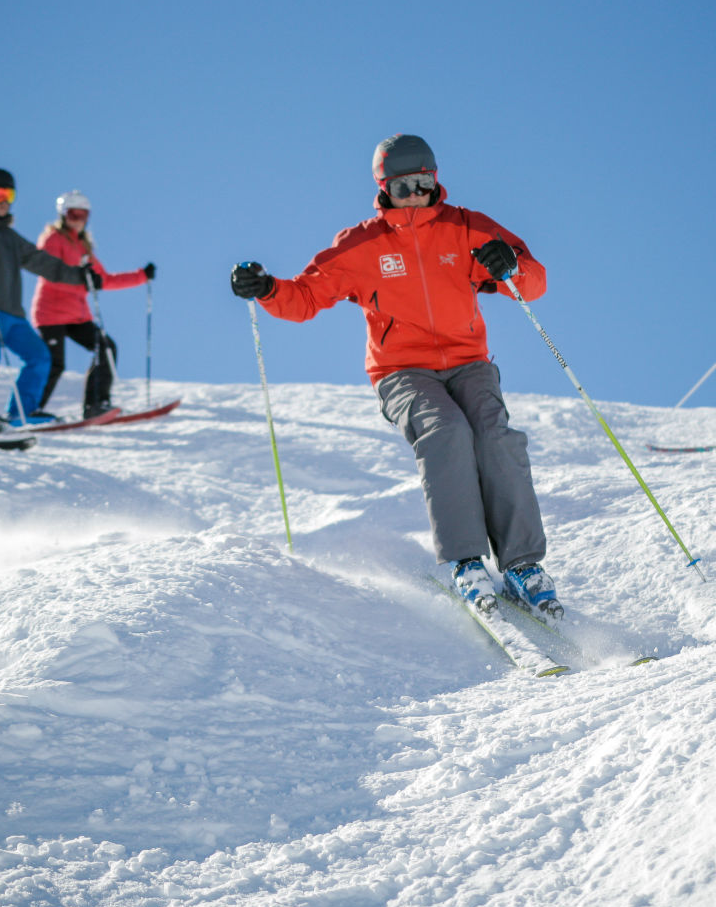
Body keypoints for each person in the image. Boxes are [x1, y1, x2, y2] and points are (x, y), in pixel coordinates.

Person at [230, 134, 561, 617]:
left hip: (469, 362)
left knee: (495, 437)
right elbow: (303, 298)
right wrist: (266, 289)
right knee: (444, 433)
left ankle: (521, 565)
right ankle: (466, 560)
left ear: (435, 180)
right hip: (402, 371)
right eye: (404, 187)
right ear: (385, 188)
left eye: (424, 184)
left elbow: (531, 280)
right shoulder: (362, 244)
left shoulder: (466, 227)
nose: (416, 195)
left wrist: (510, 265)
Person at [0, 168, 100, 431]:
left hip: (13, 313)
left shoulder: (10, 236)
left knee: (39, 356)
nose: (4, 201)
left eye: (9, 195)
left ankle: (21, 413)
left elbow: (43, 262)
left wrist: (79, 276)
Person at [30, 189, 155, 419]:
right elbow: (49, 274)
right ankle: (30, 411)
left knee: (105, 347)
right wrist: (82, 278)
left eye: (82, 215)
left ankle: (96, 404)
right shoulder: (53, 239)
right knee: (54, 364)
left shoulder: (83, 247)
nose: (77, 220)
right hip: (51, 313)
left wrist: (141, 276)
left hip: (77, 315)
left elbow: (104, 280)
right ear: (62, 215)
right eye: (72, 214)